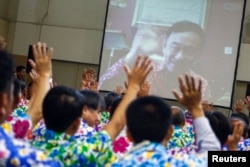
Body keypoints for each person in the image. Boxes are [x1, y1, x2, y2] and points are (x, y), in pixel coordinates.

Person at [31, 56, 153, 166]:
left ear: (44, 114)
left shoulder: (22, 143)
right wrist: (134, 86)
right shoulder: (84, 150)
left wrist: (44, 76)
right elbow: (117, 123)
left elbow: (34, 111)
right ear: (77, 123)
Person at [111, 74, 220, 166]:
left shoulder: (111, 162)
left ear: (128, 133)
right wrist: (196, 108)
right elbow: (212, 152)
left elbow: (109, 131)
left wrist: (132, 91)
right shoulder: (183, 163)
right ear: (170, 132)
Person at [0, 36, 62, 166]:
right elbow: (37, 111)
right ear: (5, 101)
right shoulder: (19, 155)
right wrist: (45, 76)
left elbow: (35, 111)